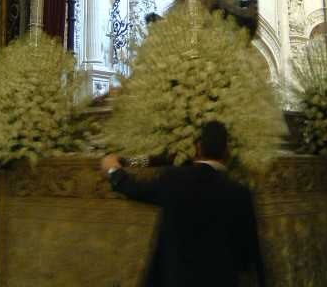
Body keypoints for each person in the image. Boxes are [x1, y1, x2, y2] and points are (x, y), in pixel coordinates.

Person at [102, 121, 266, 287]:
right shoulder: (239, 193)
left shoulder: (173, 178)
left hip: (176, 279)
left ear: (198, 148)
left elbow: (132, 188)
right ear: (227, 152)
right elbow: (248, 253)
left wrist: (114, 168)